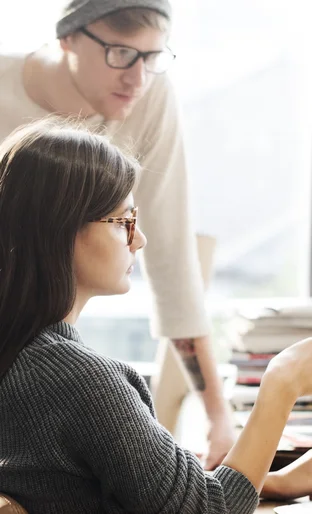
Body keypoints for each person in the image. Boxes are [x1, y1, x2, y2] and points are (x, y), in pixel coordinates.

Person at [0, 118, 312, 513]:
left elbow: (104, 488)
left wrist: (266, 482)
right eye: (124, 222)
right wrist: (281, 387)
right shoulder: (79, 381)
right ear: (61, 231)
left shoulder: (22, 357)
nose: (140, 239)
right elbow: (208, 510)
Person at [0, 0, 236, 468]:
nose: (138, 78)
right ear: (67, 37)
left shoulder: (150, 95)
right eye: (121, 53)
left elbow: (170, 257)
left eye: (153, 57)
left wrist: (218, 417)